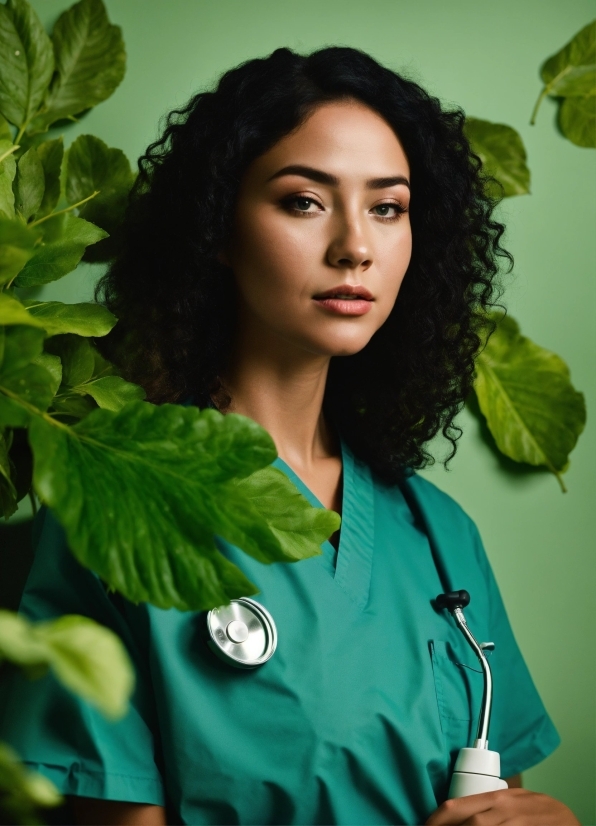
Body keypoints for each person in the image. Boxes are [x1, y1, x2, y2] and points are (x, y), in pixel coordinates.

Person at [0, 46, 580, 826]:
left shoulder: (439, 535)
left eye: (388, 207)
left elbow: (490, 793)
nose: (356, 246)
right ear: (218, 227)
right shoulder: (110, 509)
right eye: (305, 201)